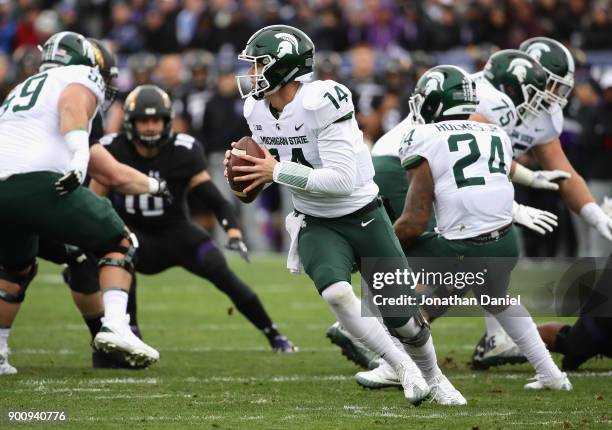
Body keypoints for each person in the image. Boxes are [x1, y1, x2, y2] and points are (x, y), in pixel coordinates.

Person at [229, 24, 465, 405]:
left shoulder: (323, 99)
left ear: (284, 67)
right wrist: (251, 171)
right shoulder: (254, 108)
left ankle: (435, 378)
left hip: (363, 214)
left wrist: (273, 171)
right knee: (338, 294)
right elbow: (280, 163)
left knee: (402, 317)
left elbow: (340, 179)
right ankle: (400, 367)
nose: (252, 73)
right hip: (315, 220)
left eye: (260, 64)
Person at [326, 50, 562, 371]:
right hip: (397, 166)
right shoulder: (491, 107)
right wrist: (515, 202)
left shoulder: (468, 99)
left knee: (463, 266)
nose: (538, 101)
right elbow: (476, 168)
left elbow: (480, 164)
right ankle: (381, 340)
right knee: (450, 259)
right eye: (533, 91)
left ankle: (382, 331)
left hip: (389, 162)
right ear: (512, 87)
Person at [81, 84, 296, 354]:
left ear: (167, 121)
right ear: (130, 122)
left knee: (224, 274)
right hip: (133, 234)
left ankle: (273, 334)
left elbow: (214, 198)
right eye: (143, 120)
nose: (150, 127)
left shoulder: (184, 149)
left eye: (156, 120)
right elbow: (95, 202)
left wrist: (232, 232)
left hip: (177, 234)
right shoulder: (112, 148)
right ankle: (129, 334)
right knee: (121, 254)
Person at [0, 31, 159, 375]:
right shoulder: (77, 77)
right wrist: (76, 155)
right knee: (120, 241)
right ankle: (115, 326)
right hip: (37, 182)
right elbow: (73, 105)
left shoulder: (22, 90)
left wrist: (154, 185)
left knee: (14, 270)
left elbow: (111, 171)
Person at [470, 38, 612, 369]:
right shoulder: (486, 97)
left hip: (477, 190)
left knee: (483, 259)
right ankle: (388, 336)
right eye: (551, 84)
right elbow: (475, 152)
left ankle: (390, 334)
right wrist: (529, 180)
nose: (555, 95)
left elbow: (562, 171)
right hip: (429, 178)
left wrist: (593, 214)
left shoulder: (544, 115)